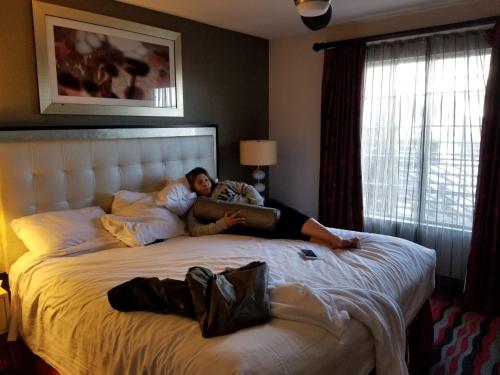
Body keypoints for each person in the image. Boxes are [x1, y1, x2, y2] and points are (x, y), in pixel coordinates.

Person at [185, 167, 359, 250]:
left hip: (262, 204)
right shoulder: (199, 207)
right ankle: (331, 243)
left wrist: (257, 205)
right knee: (288, 231)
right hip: (247, 223)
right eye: (200, 182)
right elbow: (195, 231)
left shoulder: (224, 184)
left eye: (206, 179)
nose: (205, 183)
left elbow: (246, 187)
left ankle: (334, 239)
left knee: (295, 217)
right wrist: (223, 223)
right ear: (193, 187)